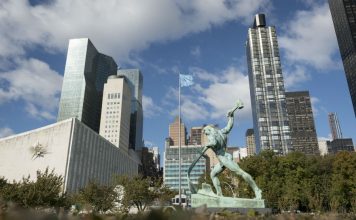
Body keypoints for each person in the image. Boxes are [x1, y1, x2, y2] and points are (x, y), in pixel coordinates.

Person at [188, 100, 262, 199]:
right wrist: (232, 116)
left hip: (224, 158)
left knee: (240, 172)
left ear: (209, 130)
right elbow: (229, 126)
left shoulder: (212, 137)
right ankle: (219, 194)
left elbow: (213, 142)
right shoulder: (221, 132)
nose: (205, 134)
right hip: (222, 159)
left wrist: (207, 145)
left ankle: (257, 190)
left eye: (205, 132)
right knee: (213, 174)